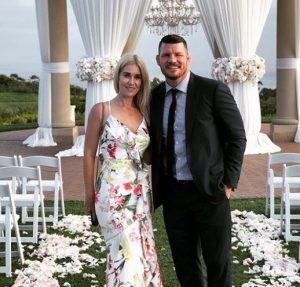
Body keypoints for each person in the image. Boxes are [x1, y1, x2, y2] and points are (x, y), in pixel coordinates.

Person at [149, 34, 247, 287]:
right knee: (185, 265)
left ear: (188, 58)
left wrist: (228, 183)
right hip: (173, 196)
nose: (173, 60)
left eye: (178, 54)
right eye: (167, 55)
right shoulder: (155, 97)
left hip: (210, 193)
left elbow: (237, 137)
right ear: (158, 60)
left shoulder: (213, 90)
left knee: (218, 264)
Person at [83, 54, 162, 287]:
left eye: (137, 77)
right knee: (124, 254)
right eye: (126, 75)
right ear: (117, 76)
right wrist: (89, 195)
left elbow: (147, 157)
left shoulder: (144, 113)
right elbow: (88, 154)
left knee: (141, 254)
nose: (131, 81)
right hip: (111, 193)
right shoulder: (101, 110)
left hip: (140, 194)